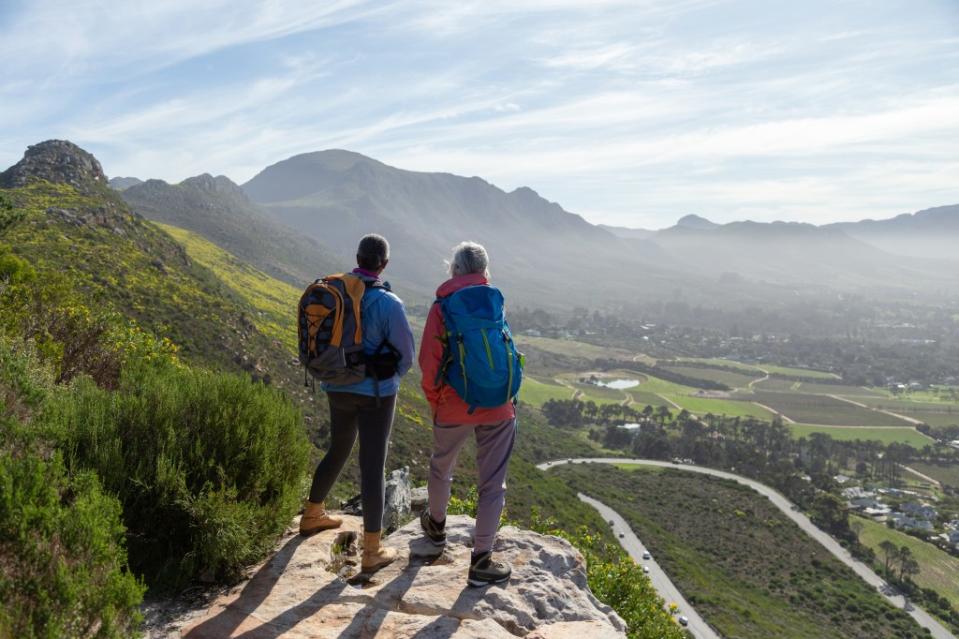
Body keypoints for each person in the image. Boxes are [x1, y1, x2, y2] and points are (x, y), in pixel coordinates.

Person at [299, 234, 415, 574]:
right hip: (376, 392)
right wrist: (389, 377)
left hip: (335, 386)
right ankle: (372, 550)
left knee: (339, 447)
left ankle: (311, 514)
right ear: (384, 264)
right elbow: (406, 356)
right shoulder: (389, 302)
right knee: (373, 465)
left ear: (357, 257)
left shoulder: (335, 291)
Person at [418, 241, 518, 587]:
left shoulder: (443, 306)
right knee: (493, 484)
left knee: (441, 467)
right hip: (499, 406)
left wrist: (436, 402)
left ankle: (436, 529)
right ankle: (482, 561)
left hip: (454, 404)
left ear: (455, 270)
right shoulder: (494, 301)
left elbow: (429, 364)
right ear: (485, 271)